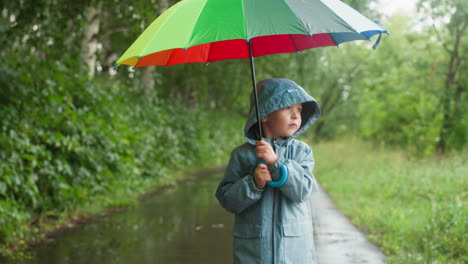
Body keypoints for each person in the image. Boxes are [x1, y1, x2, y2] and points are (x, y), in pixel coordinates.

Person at [216, 78, 321, 264]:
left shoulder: (301, 151)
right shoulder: (242, 155)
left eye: (299, 110)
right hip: (254, 253)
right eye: (287, 108)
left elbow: (303, 190)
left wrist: (277, 162)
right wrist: (252, 183)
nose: (296, 116)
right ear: (264, 114)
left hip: (294, 252)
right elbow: (227, 200)